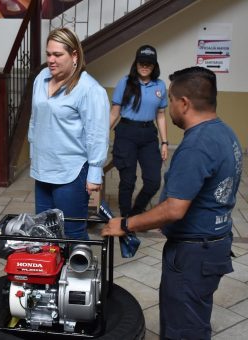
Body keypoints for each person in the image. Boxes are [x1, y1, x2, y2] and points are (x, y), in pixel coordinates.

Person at [102, 66, 242, 339]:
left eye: (170, 98)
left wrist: (126, 224)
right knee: (194, 318)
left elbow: (174, 209)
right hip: (214, 246)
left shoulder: (197, 145)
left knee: (183, 329)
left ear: (185, 103)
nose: (167, 105)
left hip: (193, 254)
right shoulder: (226, 133)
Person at [28, 27, 110, 240]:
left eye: (57, 54)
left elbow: (97, 134)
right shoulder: (41, 78)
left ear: (74, 55)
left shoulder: (90, 89)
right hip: (43, 169)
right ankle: (53, 273)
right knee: (45, 231)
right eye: (48, 54)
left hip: (71, 172)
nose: (51, 60)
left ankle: (80, 272)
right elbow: (35, 121)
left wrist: (95, 172)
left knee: (72, 232)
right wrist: (33, 153)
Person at [110, 44, 168, 217]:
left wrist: (164, 142)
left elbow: (161, 115)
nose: (144, 66)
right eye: (141, 62)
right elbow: (114, 113)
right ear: (135, 63)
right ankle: (126, 218)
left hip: (149, 135)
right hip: (126, 133)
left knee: (153, 181)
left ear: (154, 66)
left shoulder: (160, 86)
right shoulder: (125, 82)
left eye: (148, 63)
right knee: (127, 180)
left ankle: (137, 212)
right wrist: (100, 136)